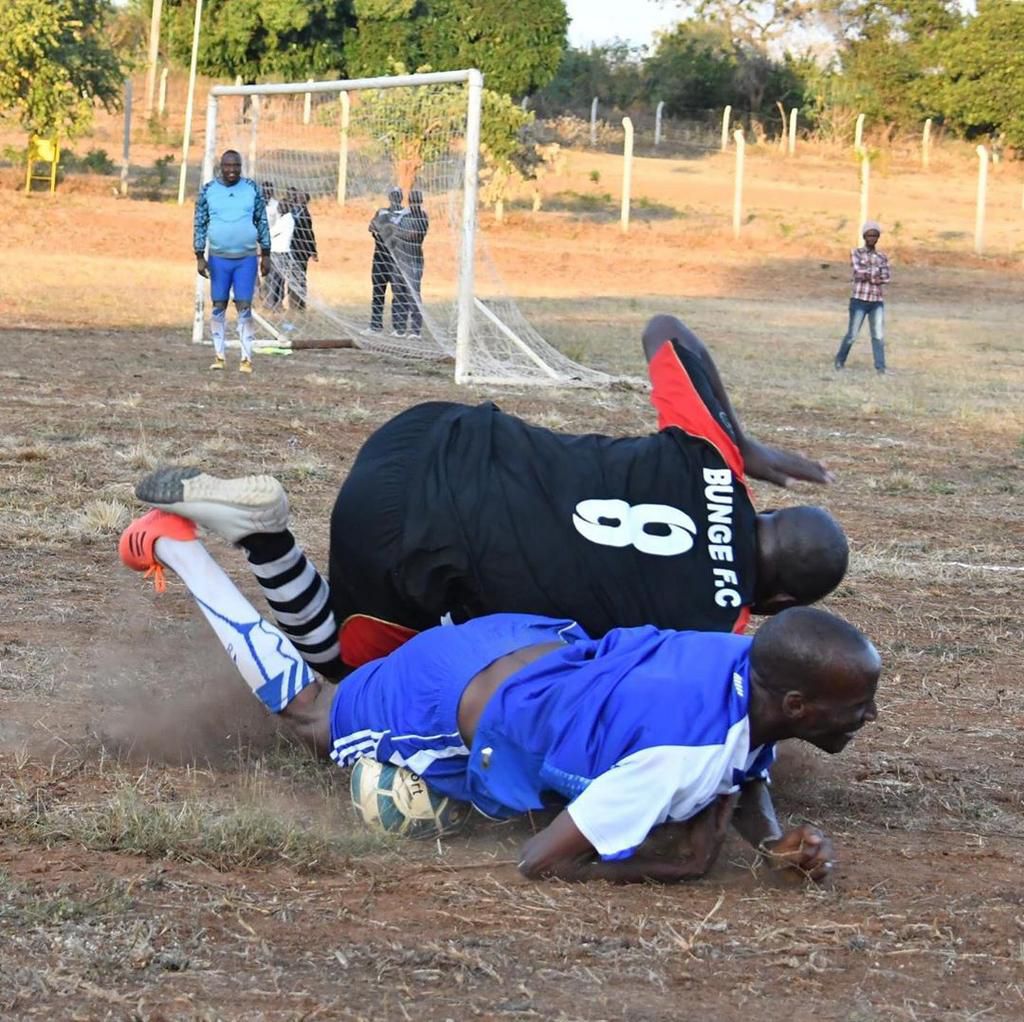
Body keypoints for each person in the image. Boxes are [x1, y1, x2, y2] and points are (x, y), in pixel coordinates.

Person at [118, 507, 881, 884]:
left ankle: (264, 544)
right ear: (798, 706)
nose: (869, 717)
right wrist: (680, 867)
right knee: (310, 715)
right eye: (856, 706)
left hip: (523, 641)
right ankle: (181, 547)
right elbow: (538, 861)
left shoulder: (747, 661)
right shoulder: (677, 757)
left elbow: (745, 761)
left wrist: (774, 840)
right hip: (454, 701)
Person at [134, 314, 847, 682]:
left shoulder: (712, 463)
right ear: (779, 605)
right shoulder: (715, 636)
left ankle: (261, 527)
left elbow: (663, 327)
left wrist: (740, 441)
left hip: (423, 433)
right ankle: (263, 538)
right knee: (345, 671)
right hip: (408, 539)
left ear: (772, 511)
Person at [193, 150, 271, 374]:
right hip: (219, 258)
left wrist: (266, 253)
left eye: (236, 166)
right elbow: (199, 223)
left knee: (244, 305)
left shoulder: (252, 189)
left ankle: (246, 359)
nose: (232, 170)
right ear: (221, 166)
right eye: (228, 166)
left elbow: (262, 221)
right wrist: (199, 255)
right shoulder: (209, 190)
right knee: (219, 305)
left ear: (241, 166)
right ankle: (219, 356)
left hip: (246, 258)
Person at [834, 221, 891, 375]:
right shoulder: (856, 253)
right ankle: (840, 360)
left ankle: (881, 367)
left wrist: (870, 274)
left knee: (878, 335)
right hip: (859, 300)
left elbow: (886, 277)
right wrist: (875, 275)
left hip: (876, 301)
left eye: (875, 235)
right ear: (864, 236)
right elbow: (858, 273)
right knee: (852, 334)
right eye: (869, 235)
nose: (872, 238)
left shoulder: (882, 256)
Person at [368, 187, 408, 334]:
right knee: (378, 291)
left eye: (397, 195)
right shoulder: (382, 212)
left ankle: (399, 328)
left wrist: (387, 229)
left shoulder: (405, 214)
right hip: (380, 255)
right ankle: (375, 325)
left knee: (398, 292)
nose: (395, 198)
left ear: (401, 197)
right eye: (393, 195)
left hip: (397, 258)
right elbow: (372, 226)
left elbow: (404, 233)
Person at [392, 188, 429, 338]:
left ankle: (415, 330)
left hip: (414, 261)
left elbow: (413, 236)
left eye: (416, 202)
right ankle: (400, 328)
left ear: (420, 202)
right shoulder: (403, 216)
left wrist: (397, 232)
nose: (414, 204)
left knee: (413, 294)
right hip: (400, 259)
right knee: (398, 293)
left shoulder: (422, 217)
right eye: (411, 201)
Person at [288, 189, 318, 312]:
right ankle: (293, 303)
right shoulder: (291, 211)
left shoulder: (305, 214)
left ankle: (300, 303)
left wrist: (313, 251)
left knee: (300, 276)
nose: (297, 198)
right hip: (289, 247)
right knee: (292, 276)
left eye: (300, 197)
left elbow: (309, 233)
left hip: (301, 250)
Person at [265, 196, 295, 312]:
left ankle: (273, 303)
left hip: (279, 252)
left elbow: (272, 233)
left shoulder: (286, 220)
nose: (278, 209)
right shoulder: (285, 219)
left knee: (274, 279)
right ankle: (276, 303)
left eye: (280, 207)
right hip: (281, 252)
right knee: (278, 279)